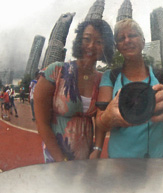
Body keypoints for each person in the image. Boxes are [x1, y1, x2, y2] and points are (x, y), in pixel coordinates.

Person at [96, 18, 163, 158]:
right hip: (120, 163)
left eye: (132, 35)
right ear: (117, 46)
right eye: (121, 38)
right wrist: (108, 116)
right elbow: (100, 123)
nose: (127, 41)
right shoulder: (109, 77)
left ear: (143, 41)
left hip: (158, 161)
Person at [34, 18, 114, 162]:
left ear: (105, 47)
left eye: (99, 42)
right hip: (56, 158)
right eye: (87, 39)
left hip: (86, 158)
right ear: (79, 41)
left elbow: (100, 119)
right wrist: (60, 159)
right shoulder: (56, 71)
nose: (91, 46)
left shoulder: (102, 80)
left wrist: (97, 149)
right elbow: (42, 123)